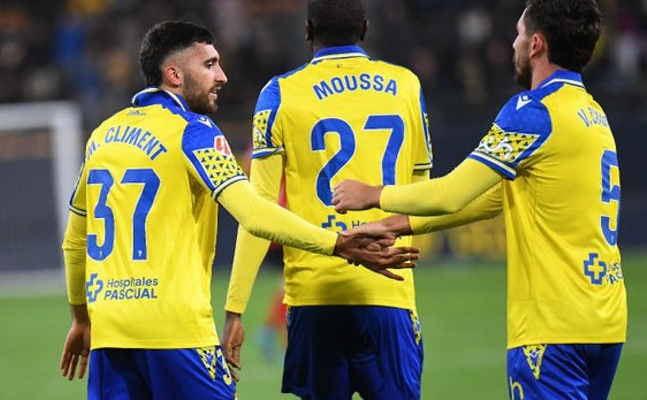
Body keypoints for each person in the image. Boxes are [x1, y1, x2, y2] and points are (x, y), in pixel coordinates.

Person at [58, 20, 419, 400]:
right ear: (175, 73)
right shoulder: (194, 131)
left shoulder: (102, 136)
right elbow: (253, 211)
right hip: (175, 332)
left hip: (109, 334)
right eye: (210, 65)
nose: (223, 77)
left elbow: (74, 243)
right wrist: (337, 242)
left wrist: (81, 318)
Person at [333, 0, 627, 400]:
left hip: (553, 328)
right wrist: (393, 226)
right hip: (605, 321)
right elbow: (486, 200)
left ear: (537, 44)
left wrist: (374, 194)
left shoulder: (534, 112)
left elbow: (452, 192)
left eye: (518, 34)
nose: (513, 44)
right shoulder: (592, 113)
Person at [221, 0, 434, 399]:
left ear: (307, 30)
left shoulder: (278, 93)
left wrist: (235, 308)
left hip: (314, 297)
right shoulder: (406, 85)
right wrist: (396, 239)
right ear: (365, 28)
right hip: (387, 290)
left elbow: (256, 207)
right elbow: (424, 189)